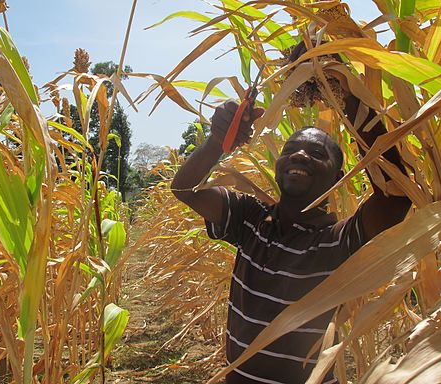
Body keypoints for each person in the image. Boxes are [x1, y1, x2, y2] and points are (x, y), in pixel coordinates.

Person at [171, 52, 411, 383]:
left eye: (316, 154)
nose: (299, 154)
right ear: (278, 165)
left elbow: (395, 199)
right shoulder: (250, 220)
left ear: (338, 176)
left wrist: (349, 92)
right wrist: (218, 140)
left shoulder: (335, 243)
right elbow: (185, 188)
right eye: (290, 150)